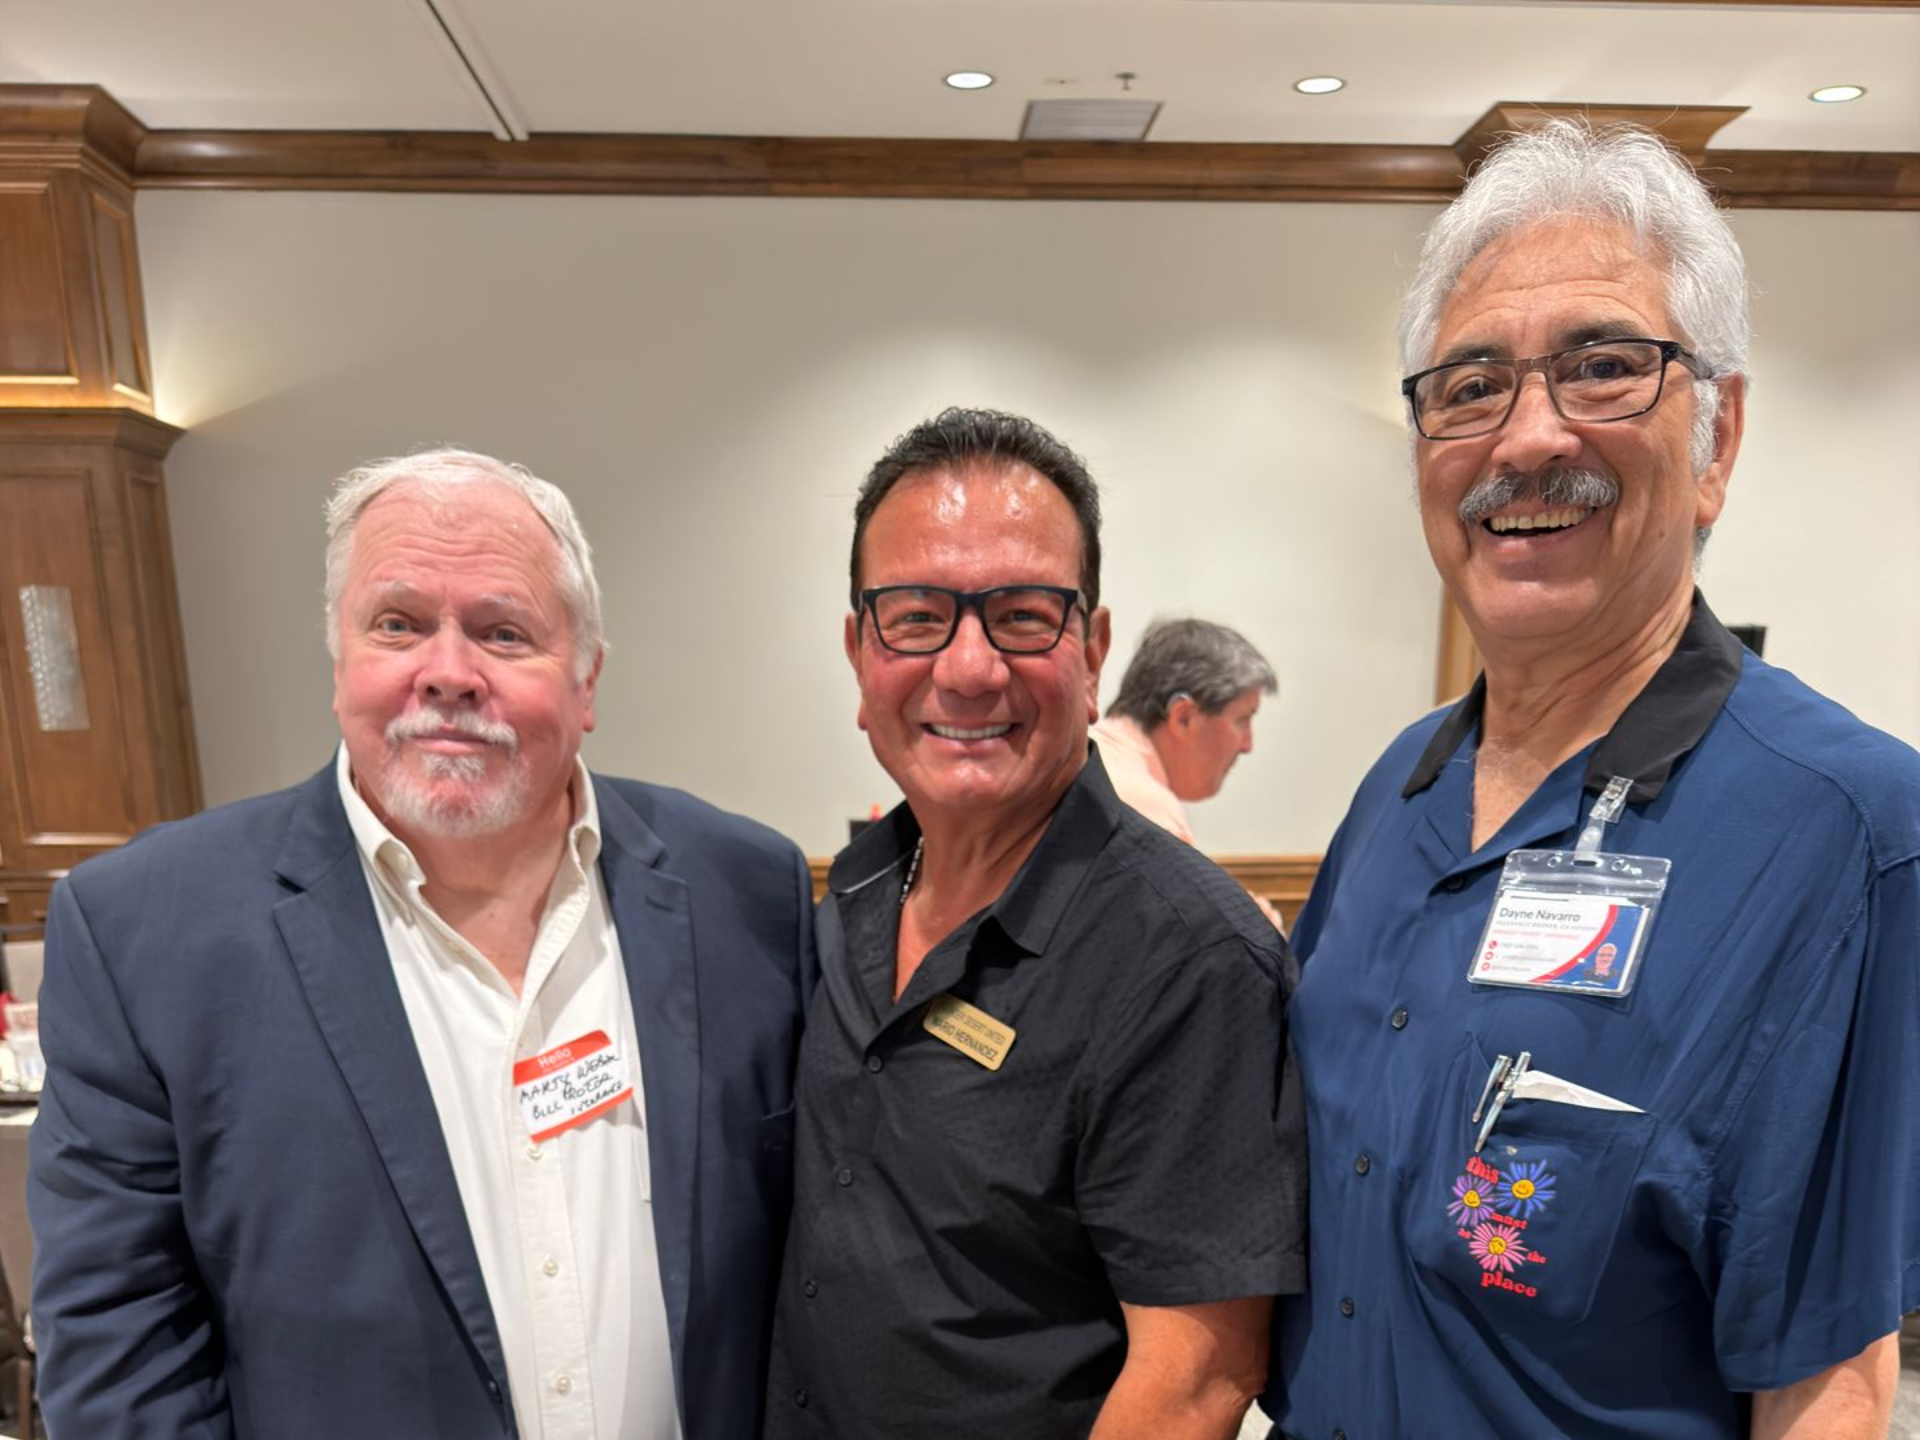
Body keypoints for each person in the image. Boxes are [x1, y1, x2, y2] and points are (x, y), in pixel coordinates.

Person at [1264, 121, 1918, 1439]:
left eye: (1604, 369)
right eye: (1471, 386)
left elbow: (1830, 1381)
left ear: (1719, 439)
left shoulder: (1843, 831)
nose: (1527, 437)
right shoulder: (1399, 792)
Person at [29, 448, 818, 1440]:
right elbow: (119, 1355)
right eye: (398, 624)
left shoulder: (746, 891)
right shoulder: (144, 933)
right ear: (340, 662)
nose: (448, 674)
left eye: (504, 631)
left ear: (586, 682)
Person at [768, 408, 1305, 1440]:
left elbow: (1197, 1379)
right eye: (916, 616)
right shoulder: (854, 896)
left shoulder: (1189, 962)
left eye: (1022, 615)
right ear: (859, 653)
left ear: (1093, 653)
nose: (969, 669)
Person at [1092, 618, 1277, 845]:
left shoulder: (1080, 760)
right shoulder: (1152, 816)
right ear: (1184, 718)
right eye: (1242, 720)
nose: (1247, 745)